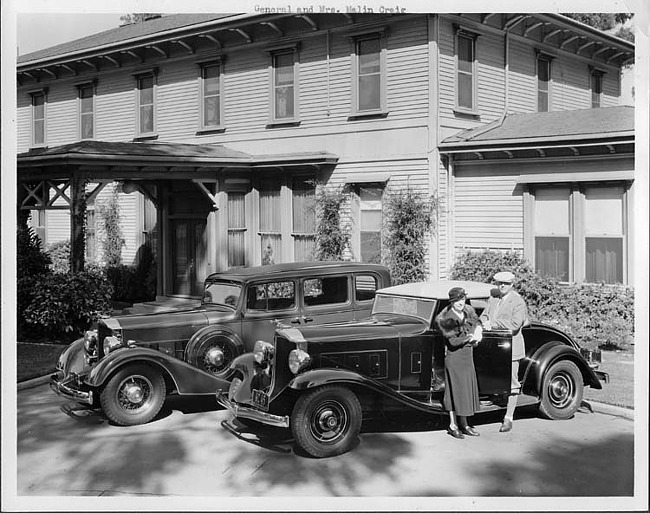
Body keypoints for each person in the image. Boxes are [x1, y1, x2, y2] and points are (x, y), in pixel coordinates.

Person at [480, 270, 530, 433]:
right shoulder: (493, 298)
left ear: (512, 284)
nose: (502, 286)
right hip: (494, 348)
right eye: (499, 283)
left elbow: (515, 324)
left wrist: (493, 323)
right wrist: (485, 321)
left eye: (506, 283)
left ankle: (508, 418)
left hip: (511, 348)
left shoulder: (518, 302)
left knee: (512, 383)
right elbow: (484, 315)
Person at [435, 286, 483, 439]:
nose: (460, 303)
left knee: (465, 392)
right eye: (457, 300)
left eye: (462, 299)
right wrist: (469, 338)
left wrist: (478, 331)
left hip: (467, 357)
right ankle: (453, 424)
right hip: (455, 359)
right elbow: (453, 342)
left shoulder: (468, 314)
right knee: (454, 391)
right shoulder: (447, 318)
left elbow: (476, 324)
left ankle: (465, 424)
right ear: (452, 301)